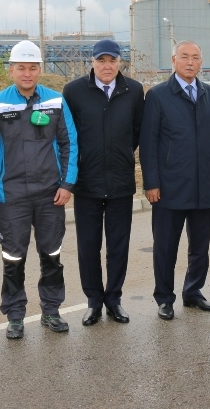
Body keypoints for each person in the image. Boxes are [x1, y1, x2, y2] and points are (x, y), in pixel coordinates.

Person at [0, 40, 78, 339]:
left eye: (33, 67)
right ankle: (15, 315)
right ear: (11, 70)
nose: (27, 73)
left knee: (51, 254)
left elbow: (69, 143)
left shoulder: (56, 101)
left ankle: (51, 310)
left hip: (51, 193)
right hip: (13, 195)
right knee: (13, 258)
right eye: (21, 67)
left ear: (40, 70)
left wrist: (67, 184)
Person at [63, 39, 144, 326]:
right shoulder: (74, 91)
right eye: (101, 60)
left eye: (112, 60)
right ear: (93, 62)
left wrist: (121, 155)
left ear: (120, 62)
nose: (107, 66)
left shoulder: (133, 90)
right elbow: (67, 135)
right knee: (88, 247)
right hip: (87, 181)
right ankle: (94, 302)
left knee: (118, 246)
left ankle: (114, 300)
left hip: (121, 181)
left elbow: (137, 132)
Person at [140, 40, 210, 321]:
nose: (190, 62)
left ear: (201, 62)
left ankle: (193, 291)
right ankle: (164, 298)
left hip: (203, 185)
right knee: (165, 247)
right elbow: (148, 143)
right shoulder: (158, 95)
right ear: (173, 61)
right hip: (169, 186)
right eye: (184, 57)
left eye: (195, 57)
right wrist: (151, 182)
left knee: (200, 247)